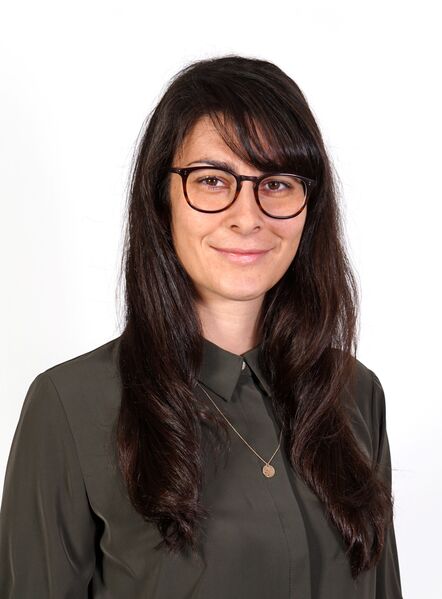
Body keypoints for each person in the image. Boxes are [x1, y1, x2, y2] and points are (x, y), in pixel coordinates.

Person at [0, 55, 403, 598]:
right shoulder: (71, 406)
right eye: (213, 180)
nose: (248, 216)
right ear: (161, 198)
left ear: (310, 206)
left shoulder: (355, 394)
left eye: (277, 183)